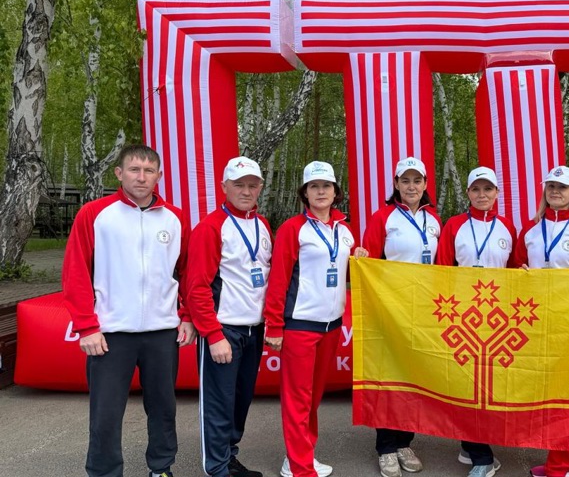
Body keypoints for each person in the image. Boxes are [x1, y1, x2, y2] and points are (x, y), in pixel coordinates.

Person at [62, 144, 196, 477]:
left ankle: (161, 468)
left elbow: (188, 273)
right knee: (106, 414)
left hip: (162, 332)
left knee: (163, 409)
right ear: (119, 174)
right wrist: (87, 326)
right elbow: (75, 270)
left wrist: (188, 316)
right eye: (134, 170)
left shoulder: (176, 218)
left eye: (149, 171)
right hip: (110, 333)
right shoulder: (94, 213)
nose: (141, 177)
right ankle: (105, 472)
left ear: (159, 176)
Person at [265, 161, 364, 477]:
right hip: (299, 326)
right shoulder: (293, 229)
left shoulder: (345, 231)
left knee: (313, 397)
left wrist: (361, 259)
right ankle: (299, 467)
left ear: (336, 192)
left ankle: (301, 454)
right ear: (305, 193)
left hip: (332, 325)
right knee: (298, 399)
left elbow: (347, 272)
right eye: (314, 186)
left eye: (327, 186)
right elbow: (279, 279)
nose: (321, 192)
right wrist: (275, 325)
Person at [510, 165, 569, 477]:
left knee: (565, 393)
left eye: (562, 187)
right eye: (551, 186)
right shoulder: (530, 229)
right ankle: (567, 462)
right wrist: (521, 273)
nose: (555, 192)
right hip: (536, 321)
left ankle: (561, 466)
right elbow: (515, 268)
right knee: (548, 392)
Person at [185, 156, 272, 477]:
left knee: (240, 401)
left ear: (260, 187)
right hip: (224, 331)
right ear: (224, 187)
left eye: (253, 185)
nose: (246, 191)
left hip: (253, 330)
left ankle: (229, 456)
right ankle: (217, 467)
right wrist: (213, 333)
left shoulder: (262, 225)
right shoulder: (210, 227)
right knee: (219, 404)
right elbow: (196, 287)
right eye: (239, 185)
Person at [362, 156, 442, 477]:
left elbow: (443, 265)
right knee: (389, 377)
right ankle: (385, 446)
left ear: (425, 185)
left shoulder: (435, 220)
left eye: (417, 181)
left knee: (414, 376)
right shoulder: (383, 217)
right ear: (396, 184)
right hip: (390, 308)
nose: (411, 186)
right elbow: (368, 258)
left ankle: (405, 440)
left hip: (423, 310)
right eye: (405, 181)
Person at [435, 166, 516, 477]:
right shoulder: (454, 225)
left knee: (488, 388)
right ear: (467, 193)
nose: (482, 195)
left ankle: (473, 445)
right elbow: (442, 269)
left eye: (488, 189)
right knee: (465, 385)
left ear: (497, 193)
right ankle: (482, 455)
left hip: (499, 319)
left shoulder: (507, 227)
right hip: (463, 317)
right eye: (476, 189)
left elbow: (517, 271)